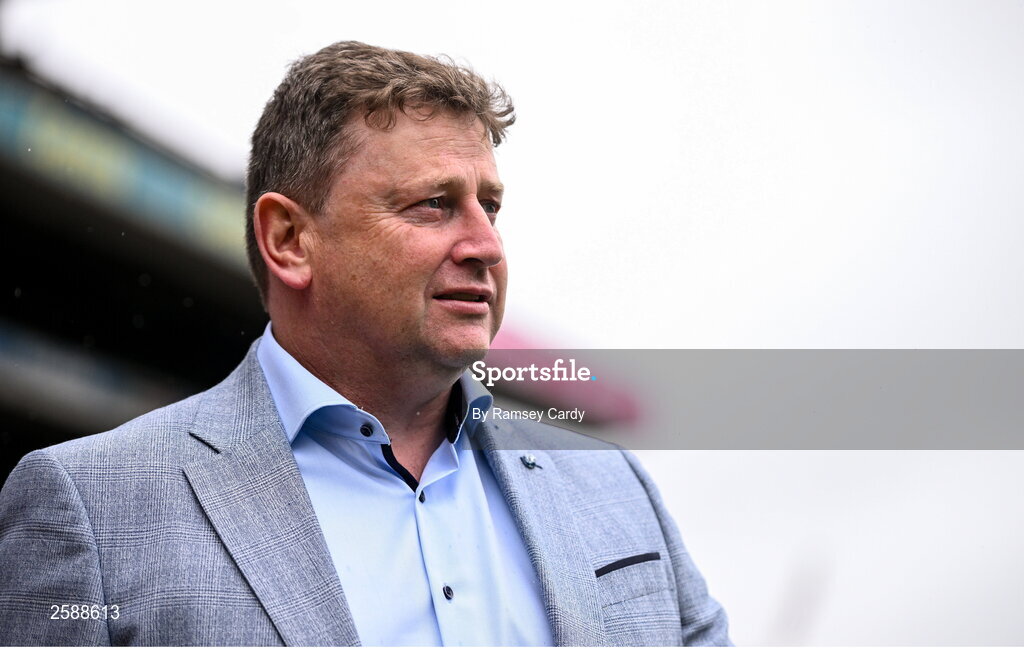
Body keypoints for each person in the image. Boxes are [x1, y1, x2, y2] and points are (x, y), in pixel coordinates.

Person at [0, 41, 729, 646]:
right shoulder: (92, 509)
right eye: (433, 205)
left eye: (491, 207)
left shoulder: (613, 488)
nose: (485, 244)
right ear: (290, 239)